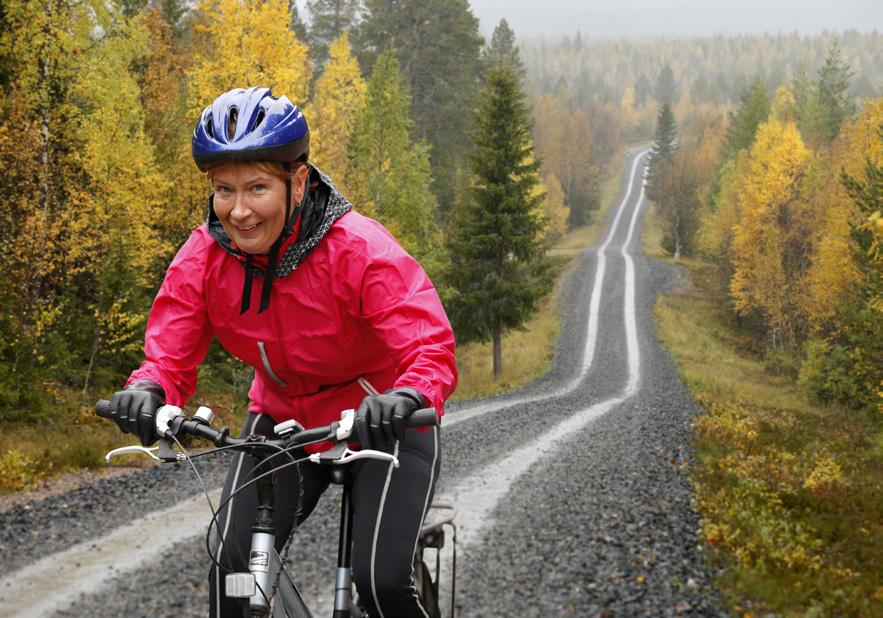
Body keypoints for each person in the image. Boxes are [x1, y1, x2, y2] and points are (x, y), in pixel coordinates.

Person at [107, 86, 457, 617]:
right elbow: (168, 357)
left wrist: (408, 394)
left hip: (383, 418)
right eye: (224, 190)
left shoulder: (358, 248)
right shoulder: (203, 256)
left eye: (257, 188)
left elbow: (428, 344)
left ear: (297, 182)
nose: (239, 210)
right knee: (232, 570)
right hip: (282, 418)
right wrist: (148, 391)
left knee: (381, 581)